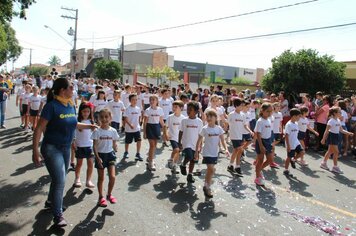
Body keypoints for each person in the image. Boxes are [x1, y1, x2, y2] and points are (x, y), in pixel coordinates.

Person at [32, 78, 96, 227]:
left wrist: (89, 126)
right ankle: (58, 215)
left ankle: (51, 202)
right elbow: (39, 128)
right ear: (62, 90)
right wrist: (35, 150)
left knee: (58, 178)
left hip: (66, 148)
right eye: (70, 88)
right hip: (51, 148)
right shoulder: (51, 106)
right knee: (60, 180)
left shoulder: (70, 105)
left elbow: (73, 123)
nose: (73, 90)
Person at [195, 110, 229, 198]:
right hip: (206, 152)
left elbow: (223, 140)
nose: (209, 118)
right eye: (207, 116)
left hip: (215, 152)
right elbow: (199, 140)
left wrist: (226, 149)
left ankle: (206, 185)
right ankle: (208, 187)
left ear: (216, 118)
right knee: (210, 169)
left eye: (211, 116)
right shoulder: (205, 128)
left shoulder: (219, 128)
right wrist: (196, 152)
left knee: (210, 171)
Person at [92, 109, 119, 207]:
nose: (104, 119)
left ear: (110, 118)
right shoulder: (97, 131)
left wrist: (115, 147)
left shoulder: (113, 131)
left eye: (106, 117)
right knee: (101, 178)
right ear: (98, 119)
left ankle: (109, 194)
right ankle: (101, 197)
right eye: (101, 117)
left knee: (112, 177)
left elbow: (114, 142)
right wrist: (97, 157)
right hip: (101, 156)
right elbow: (94, 146)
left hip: (110, 155)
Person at [320, 107, 353, 174]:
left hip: (336, 136)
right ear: (335, 113)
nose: (341, 113)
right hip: (332, 136)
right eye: (339, 112)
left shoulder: (338, 120)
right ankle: (335, 167)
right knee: (336, 152)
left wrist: (348, 133)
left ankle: (323, 163)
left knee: (330, 151)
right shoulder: (331, 121)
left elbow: (341, 130)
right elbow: (326, 131)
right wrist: (323, 139)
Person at [227, 98, 253, 177]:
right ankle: (237, 166)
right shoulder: (231, 114)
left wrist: (250, 131)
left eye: (242, 105)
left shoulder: (243, 115)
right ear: (236, 106)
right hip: (234, 135)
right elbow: (227, 123)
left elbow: (245, 125)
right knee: (239, 149)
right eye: (241, 105)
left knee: (236, 151)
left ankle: (231, 165)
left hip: (240, 135)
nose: (242, 107)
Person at [179, 101, 203, 183]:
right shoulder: (184, 120)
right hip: (186, 143)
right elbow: (181, 131)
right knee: (189, 156)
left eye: (190, 109)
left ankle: (190, 174)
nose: (188, 111)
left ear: (196, 112)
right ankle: (183, 164)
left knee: (193, 160)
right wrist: (179, 142)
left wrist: (200, 145)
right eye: (187, 109)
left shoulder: (199, 122)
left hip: (195, 144)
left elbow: (201, 135)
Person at [73, 102, 95, 189]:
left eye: (88, 112)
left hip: (89, 146)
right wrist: (73, 142)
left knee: (90, 163)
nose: (86, 113)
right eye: (84, 111)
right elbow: (73, 133)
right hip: (79, 146)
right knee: (79, 164)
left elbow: (95, 133)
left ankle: (88, 180)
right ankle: (77, 178)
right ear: (80, 111)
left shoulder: (91, 121)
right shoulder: (77, 121)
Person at [143, 95, 165, 171]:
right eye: (151, 100)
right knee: (152, 145)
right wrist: (144, 133)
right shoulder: (147, 110)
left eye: (153, 100)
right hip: (149, 127)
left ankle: (150, 158)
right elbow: (145, 122)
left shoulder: (160, 110)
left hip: (156, 127)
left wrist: (165, 131)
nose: (152, 101)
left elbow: (161, 121)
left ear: (157, 101)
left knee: (154, 146)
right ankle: (151, 162)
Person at [254, 103, 273, 186]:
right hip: (261, 141)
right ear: (262, 111)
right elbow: (258, 134)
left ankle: (259, 170)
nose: (269, 113)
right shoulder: (260, 121)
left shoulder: (269, 120)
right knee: (260, 159)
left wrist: (272, 141)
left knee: (270, 159)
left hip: (268, 141)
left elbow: (269, 132)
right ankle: (257, 177)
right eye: (267, 111)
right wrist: (261, 146)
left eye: (271, 111)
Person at [164, 100, 185, 174]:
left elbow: (185, 129)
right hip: (172, 137)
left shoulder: (184, 118)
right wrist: (166, 134)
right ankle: (170, 159)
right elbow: (165, 126)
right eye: (173, 107)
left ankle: (174, 166)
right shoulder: (170, 117)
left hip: (180, 138)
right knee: (176, 150)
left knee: (178, 152)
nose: (174, 108)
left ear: (181, 108)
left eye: (176, 107)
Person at [283, 108, 305, 177]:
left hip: (296, 142)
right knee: (289, 157)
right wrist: (288, 146)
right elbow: (286, 135)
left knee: (302, 152)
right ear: (294, 116)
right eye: (299, 116)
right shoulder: (288, 124)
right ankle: (286, 169)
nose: (299, 117)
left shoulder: (296, 123)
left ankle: (294, 159)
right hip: (290, 143)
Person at [123, 94, 142, 161]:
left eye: (136, 99)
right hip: (129, 129)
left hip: (137, 129)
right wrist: (130, 125)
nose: (135, 101)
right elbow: (125, 118)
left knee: (139, 140)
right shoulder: (127, 109)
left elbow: (139, 117)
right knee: (127, 142)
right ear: (130, 101)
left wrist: (139, 124)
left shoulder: (138, 108)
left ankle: (138, 153)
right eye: (133, 100)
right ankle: (126, 152)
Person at [271, 102, 283, 168]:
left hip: (277, 130)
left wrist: (281, 128)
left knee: (278, 140)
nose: (278, 107)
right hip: (272, 130)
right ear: (274, 107)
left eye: (279, 106)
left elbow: (280, 122)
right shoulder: (272, 114)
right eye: (277, 106)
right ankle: (272, 158)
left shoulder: (280, 114)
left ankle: (271, 148)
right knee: (273, 144)